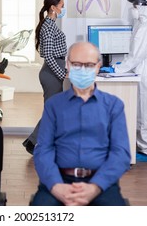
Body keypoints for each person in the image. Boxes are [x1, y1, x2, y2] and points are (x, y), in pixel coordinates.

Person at [31, 42, 131, 206]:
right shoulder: (54, 105)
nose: (83, 69)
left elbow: (120, 154)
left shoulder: (114, 106)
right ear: (68, 65)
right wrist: (56, 186)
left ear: (98, 67)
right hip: (59, 180)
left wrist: (95, 187)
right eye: (77, 64)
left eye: (89, 65)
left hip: (101, 183)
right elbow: (43, 150)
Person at [111, 0, 147, 162]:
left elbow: (137, 55)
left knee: (145, 111)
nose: (133, 9)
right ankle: (145, 144)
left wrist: (118, 70)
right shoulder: (142, 24)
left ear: (144, 8)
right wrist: (120, 68)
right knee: (142, 109)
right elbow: (134, 54)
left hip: (146, 70)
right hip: (144, 69)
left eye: (136, 6)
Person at [22, 0, 68, 154]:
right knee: (53, 111)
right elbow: (48, 55)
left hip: (56, 69)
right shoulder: (48, 27)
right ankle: (32, 142)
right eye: (61, 6)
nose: (63, 9)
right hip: (52, 73)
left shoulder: (51, 24)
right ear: (53, 8)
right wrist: (62, 74)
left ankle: (45, 142)